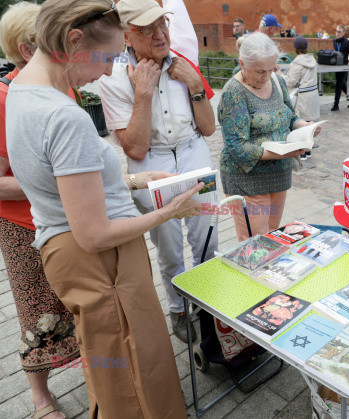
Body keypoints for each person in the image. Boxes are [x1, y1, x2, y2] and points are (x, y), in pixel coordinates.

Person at [6, 0, 202, 416]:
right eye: (109, 56)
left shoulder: (22, 90)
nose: (111, 70)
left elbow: (55, 178)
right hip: (102, 258)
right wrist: (169, 212)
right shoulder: (64, 116)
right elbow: (93, 233)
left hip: (66, 248)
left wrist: (128, 180)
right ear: (74, 40)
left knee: (108, 358)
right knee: (136, 364)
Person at [99, 0, 217, 343]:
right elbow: (134, 148)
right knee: (168, 249)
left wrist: (196, 86)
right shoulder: (115, 77)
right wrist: (143, 94)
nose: (160, 34)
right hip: (152, 164)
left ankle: (209, 306)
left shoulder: (185, 65)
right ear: (126, 36)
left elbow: (208, 129)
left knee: (207, 241)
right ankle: (178, 308)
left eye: (162, 24)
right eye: (146, 28)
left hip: (194, 153)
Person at [0, 4, 80, 418]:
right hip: (23, 227)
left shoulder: (65, 85)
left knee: (76, 301)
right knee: (36, 312)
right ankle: (39, 396)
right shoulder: (3, 97)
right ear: (26, 47)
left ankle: (97, 372)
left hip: (70, 218)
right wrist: (57, 179)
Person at [218, 33, 321, 241]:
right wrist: (280, 153)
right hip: (248, 180)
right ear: (242, 64)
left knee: (272, 238)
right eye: (259, 71)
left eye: (271, 69)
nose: (266, 76)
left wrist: (305, 126)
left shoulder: (277, 80)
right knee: (255, 244)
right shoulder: (234, 93)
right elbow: (237, 148)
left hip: (278, 176)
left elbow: (289, 115)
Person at [286, 36, 320, 160]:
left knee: (301, 123)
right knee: (310, 123)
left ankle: (303, 152)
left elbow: (290, 82)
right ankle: (309, 150)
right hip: (313, 94)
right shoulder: (312, 60)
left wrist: (281, 75)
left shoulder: (296, 63)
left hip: (302, 96)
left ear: (295, 48)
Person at [331, 25, 349, 111]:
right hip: (337, 65)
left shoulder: (347, 42)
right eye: (336, 31)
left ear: (343, 33)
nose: (337, 34)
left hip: (344, 65)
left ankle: (336, 104)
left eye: (339, 32)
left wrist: (348, 65)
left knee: (338, 84)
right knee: (341, 84)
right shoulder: (334, 40)